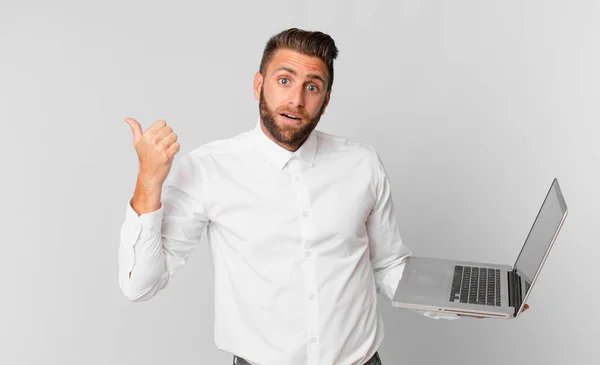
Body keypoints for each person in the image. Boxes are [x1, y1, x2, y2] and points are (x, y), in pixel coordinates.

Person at [118, 27, 528, 365]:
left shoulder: (362, 164)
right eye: (284, 81)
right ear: (259, 84)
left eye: (312, 87)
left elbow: (389, 268)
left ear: (326, 99)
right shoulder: (209, 169)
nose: (296, 99)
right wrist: (149, 181)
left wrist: (478, 296)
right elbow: (140, 286)